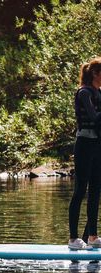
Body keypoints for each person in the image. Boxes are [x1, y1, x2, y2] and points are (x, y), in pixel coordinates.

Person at [71, 57, 101, 250]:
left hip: (97, 145)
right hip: (84, 145)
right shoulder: (84, 93)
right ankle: (74, 239)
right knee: (80, 190)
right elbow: (94, 117)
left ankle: (91, 236)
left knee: (96, 191)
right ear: (96, 74)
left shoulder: (100, 93)